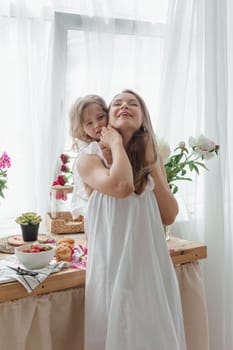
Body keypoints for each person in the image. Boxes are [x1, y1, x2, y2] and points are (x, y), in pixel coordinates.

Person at [76, 90, 187, 349]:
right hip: (112, 263)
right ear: (107, 120)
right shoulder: (90, 158)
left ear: (143, 117)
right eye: (117, 103)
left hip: (150, 264)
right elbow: (122, 186)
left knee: (154, 333)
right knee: (118, 331)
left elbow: (168, 215)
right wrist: (115, 143)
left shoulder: (150, 157)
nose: (125, 105)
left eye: (133, 103)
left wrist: (151, 164)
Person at [69, 94, 108, 221]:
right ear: (82, 129)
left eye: (100, 117)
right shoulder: (89, 151)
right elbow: (91, 195)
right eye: (89, 123)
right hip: (95, 209)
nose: (97, 125)